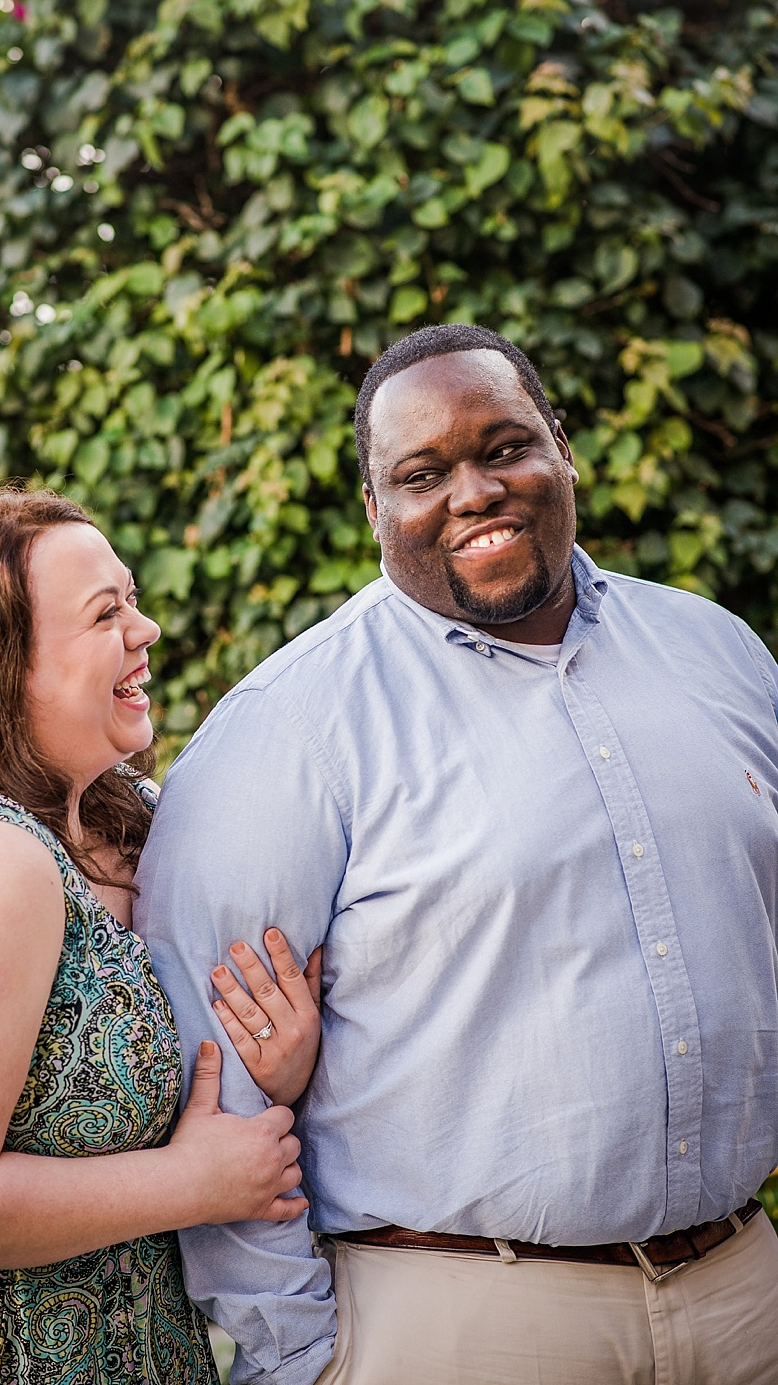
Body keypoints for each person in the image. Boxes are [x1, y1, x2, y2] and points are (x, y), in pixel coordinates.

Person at [136, 323, 778, 1385]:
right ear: (374, 507)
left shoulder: (718, 651)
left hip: (747, 1294)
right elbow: (215, 1075)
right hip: (462, 1320)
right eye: (423, 474)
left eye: (505, 447)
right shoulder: (288, 729)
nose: (474, 492)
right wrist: (298, 1355)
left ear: (562, 447)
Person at [0, 489, 321, 1385]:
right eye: (104, 614)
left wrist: (276, 1067)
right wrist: (196, 1184)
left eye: (132, 599)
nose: (147, 629)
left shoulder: (134, 826)